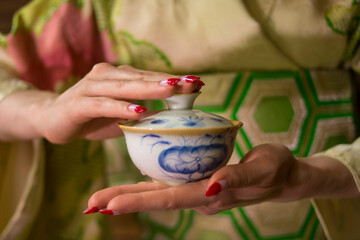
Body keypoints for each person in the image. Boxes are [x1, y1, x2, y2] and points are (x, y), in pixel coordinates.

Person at [0, 0, 359, 239]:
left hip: (329, 204)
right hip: (145, 224)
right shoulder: (91, 6)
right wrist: (44, 112)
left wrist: (311, 176)